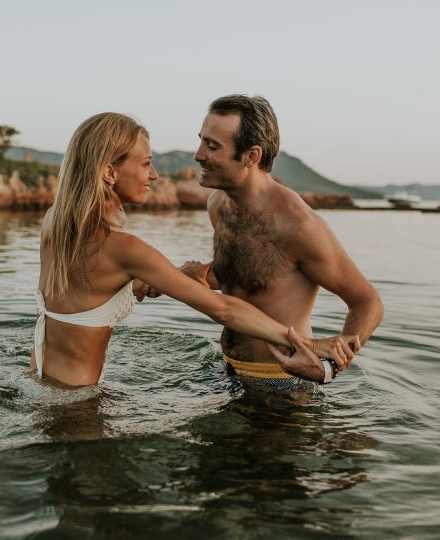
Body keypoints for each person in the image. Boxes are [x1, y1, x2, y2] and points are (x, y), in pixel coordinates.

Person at [31, 112, 338, 387]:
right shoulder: (123, 249)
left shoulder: (54, 225)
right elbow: (225, 309)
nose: (154, 175)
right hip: (78, 407)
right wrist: (308, 345)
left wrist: (171, 276)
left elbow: (88, 291)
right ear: (110, 173)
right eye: (146, 163)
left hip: (38, 385)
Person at [170, 95, 384, 388]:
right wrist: (199, 274)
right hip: (226, 373)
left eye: (212, 146)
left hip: (283, 386)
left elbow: (367, 301)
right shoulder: (218, 204)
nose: (198, 155)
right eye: (202, 141)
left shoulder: (298, 224)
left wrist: (329, 367)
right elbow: (250, 276)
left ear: (251, 156)